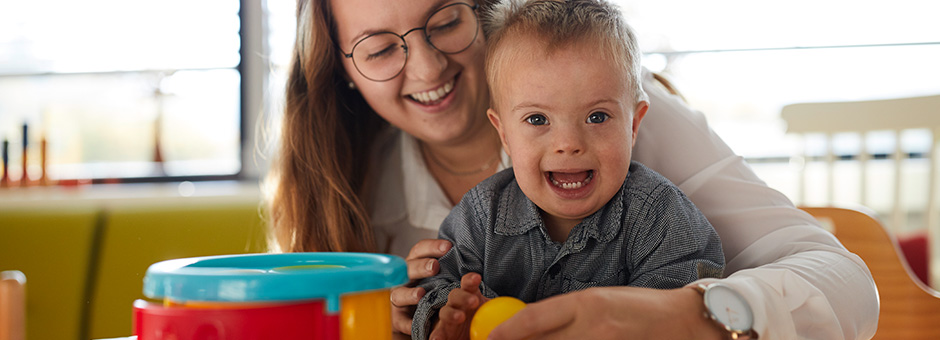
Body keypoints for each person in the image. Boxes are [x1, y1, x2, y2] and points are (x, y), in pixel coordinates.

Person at [266, 0, 879, 338]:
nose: (426, 69)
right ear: (341, 68)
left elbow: (848, 285)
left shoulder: (620, 118)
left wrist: (688, 315)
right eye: (379, 49)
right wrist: (419, 320)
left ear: (481, 12)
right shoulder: (349, 186)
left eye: (446, 21)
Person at [410, 2, 725, 339]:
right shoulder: (479, 215)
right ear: (504, 133)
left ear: (633, 125)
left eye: (597, 117)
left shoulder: (661, 219)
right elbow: (434, 287)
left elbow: (685, 313)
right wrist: (448, 315)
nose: (568, 143)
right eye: (537, 119)